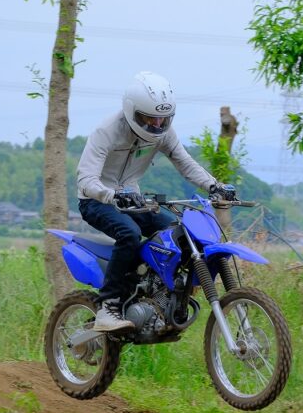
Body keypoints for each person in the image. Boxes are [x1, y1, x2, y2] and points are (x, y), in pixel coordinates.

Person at [76, 71, 232, 332]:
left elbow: (185, 163)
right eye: (150, 118)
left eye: (163, 119)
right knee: (129, 234)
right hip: (96, 200)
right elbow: (85, 180)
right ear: (132, 111)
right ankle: (108, 306)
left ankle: (153, 292)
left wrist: (214, 185)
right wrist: (111, 195)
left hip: (134, 200)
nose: (157, 124)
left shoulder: (163, 133)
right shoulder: (108, 131)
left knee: (178, 232)